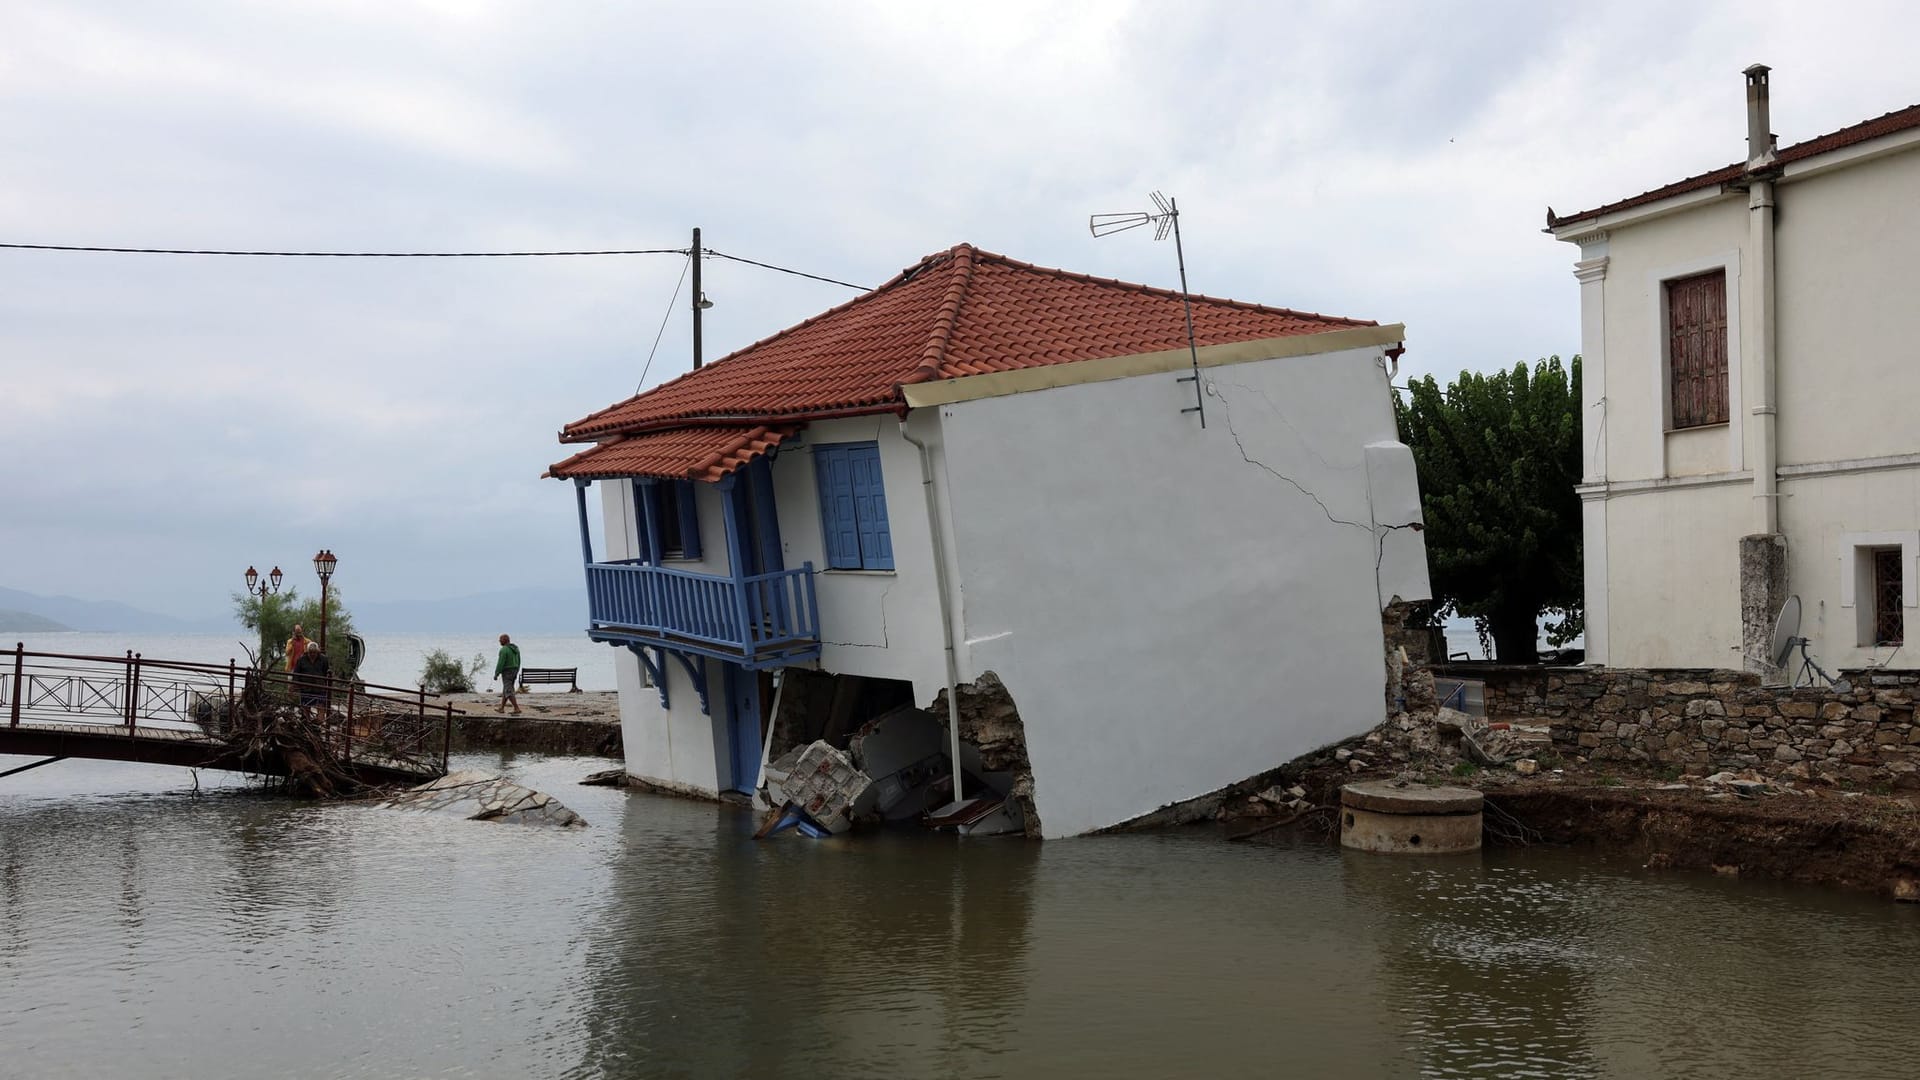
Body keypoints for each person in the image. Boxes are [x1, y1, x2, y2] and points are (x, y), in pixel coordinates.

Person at [293, 640, 332, 715]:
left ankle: (319, 723)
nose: (312, 654)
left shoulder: (324, 659)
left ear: (317, 652)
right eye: (310, 652)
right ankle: (307, 722)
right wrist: (295, 685)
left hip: (319, 688)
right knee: (306, 707)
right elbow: (296, 673)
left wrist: (324, 683)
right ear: (307, 652)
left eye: (314, 652)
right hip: (305, 688)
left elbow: (325, 671)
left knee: (321, 707)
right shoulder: (301, 659)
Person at [493, 633, 522, 715]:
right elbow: (519, 660)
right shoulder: (516, 649)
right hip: (515, 670)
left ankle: (516, 708)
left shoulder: (504, 650)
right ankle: (501, 708)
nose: (499, 641)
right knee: (506, 689)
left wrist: (496, 673)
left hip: (507, 671)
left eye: (500, 639)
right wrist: (517, 670)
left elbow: (501, 663)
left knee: (508, 690)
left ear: (504, 640)